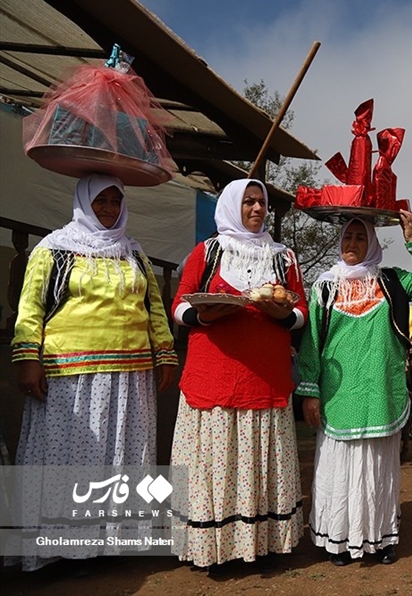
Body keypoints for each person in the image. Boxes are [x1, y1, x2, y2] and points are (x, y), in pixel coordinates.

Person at [12, 174, 177, 572]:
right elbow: (30, 308)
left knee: (119, 460)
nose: (107, 208)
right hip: (72, 374)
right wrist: (27, 358)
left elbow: (153, 309)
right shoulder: (54, 249)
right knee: (71, 461)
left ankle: (112, 543)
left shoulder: (134, 253)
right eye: (99, 200)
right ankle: (63, 550)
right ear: (83, 202)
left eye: (114, 200)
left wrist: (165, 353)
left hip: (130, 375)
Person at [170, 179, 308, 575]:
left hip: (264, 378)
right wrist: (203, 314)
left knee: (255, 463)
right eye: (248, 201)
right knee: (216, 462)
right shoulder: (208, 252)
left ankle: (260, 543)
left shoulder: (283, 258)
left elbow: (300, 313)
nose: (256, 208)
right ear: (233, 205)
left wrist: (285, 315)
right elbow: (180, 303)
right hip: (212, 377)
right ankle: (211, 545)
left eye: (261, 202)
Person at [297, 211, 412, 566]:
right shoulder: (325, 286)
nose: (352, 244)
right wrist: (309, 392)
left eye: (360, 238)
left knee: (379, 469)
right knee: (340, 468)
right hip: (338, 395)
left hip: (381, 391)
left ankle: (380, 538)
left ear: (372, 243)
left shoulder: (390, 281)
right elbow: (311, 342)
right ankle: (339, 539)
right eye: (348, 237)